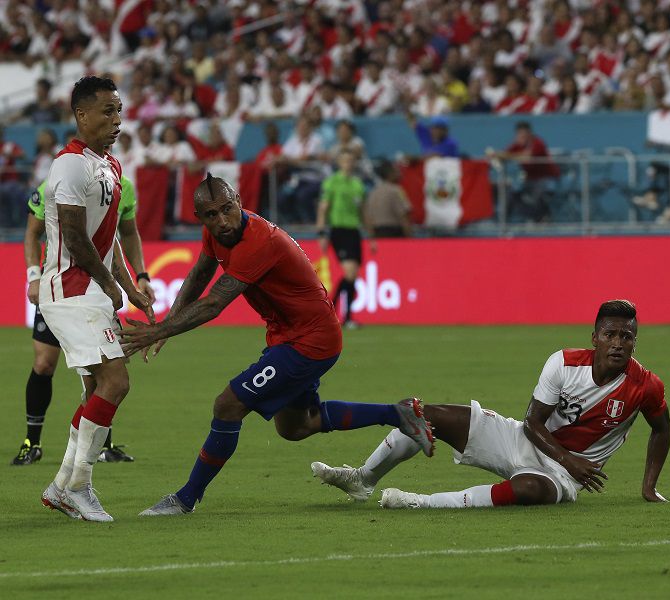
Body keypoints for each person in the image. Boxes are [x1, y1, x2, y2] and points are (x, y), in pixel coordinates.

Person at [119, 175, 434, 516]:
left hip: (310, 339)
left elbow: (214, 303)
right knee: (297, 426)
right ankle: (398, 413)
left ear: (238, 199)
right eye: (211, 215)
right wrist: (166, 326)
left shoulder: (258, 241)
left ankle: (185, 499)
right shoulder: (218, 233)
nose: (222, 220)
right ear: (200, 218)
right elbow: (198, 275)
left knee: (227, 405)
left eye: (227, 209)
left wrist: (160, 330)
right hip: (292, 335)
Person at [312, 299, 670, 508]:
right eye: (610, 334)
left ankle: (421, 502)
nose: (618, 343)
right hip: (524, 439)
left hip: (560, 477)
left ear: (635, 341)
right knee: (422, 416)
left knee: (531, 491)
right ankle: (362, 479)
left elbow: (662, 429)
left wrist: (648, 486)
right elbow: (532, 423)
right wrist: (568, 457)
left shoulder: (646, 386)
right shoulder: (562, 363)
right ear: (595, 337)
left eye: (627, 336)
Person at [38, 76, 154, 522]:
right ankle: (80, 488)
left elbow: (109, 242)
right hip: (70, 289)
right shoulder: (69, 165)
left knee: (95, 391)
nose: (117, 120)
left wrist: (131, 288)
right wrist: (108, 282)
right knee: (116, 383)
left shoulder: (111, 166)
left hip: (92, 289)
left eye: (119, 110)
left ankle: (61, 487)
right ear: (81, 114)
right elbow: (71, 233)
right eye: (107, 111)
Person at [13, 173, 155, 466]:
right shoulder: (57, 179)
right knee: (43, 363)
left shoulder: (122, 187)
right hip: (58, 287)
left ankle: (99, 447)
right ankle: (32, 442)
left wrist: (140, 276)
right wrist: (33, 277)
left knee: (102, 373)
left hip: (98, 288)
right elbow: (32, 232)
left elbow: (125, 235)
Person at [316, 151, 374, 328]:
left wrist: (370, 236)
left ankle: (346, 317)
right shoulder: (332, 182)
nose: (348, 163)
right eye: (345, 160)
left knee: (353, 276)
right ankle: (333, 311)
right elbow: (323, 208)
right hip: (339, 231)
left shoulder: (357, 185)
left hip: (354, 232)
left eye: (351, 160)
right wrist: (321, 233)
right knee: (350, 273)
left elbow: (363, 212)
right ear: (339, 163)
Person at [488, 122, 560, 222]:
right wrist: (495, 154)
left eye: (524, 135)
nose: (521, 137)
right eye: (519, 134)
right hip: (530, 179)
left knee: (538, 196)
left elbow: (526, 157)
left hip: (546, 178)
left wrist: (506, 155)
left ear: (529, 134)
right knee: (513, 194)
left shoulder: (538, 143)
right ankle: (504, 222)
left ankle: (543, 218)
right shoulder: (518, 145)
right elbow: (506, 154)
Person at [365, 161, 413, 238]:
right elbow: (404, 215)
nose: (399, 174)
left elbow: (367, 216)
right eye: (396, 171)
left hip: (377, 233)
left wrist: (371, 234)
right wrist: (409, 235)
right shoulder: (396, 190)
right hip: (394, 234)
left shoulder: (373, 192)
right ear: (390, 174)